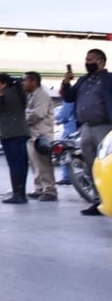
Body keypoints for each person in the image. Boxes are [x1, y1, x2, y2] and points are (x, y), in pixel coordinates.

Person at [60, 49, 112, 216]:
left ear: (101, 62)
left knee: (106, 166)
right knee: (91, 166)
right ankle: (98, 201)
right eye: (86, 59)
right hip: (86, 127)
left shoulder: (109, 79)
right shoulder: (83, 80)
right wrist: (66, 82)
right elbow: (69, 98)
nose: (87, 62)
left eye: (91, 60)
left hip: (104, 127)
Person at [0, 73, 30, 204]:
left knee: (13, 164)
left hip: (9, 133)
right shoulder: (20, 93)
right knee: (22, 163)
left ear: (3, 84)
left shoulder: (1, 95)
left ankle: (16, 194)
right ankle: (22, 193)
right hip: (23, 131)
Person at [22, 71, 57, 201]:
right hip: (32, 134)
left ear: (33, 81)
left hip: (41, 135)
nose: (23, 83)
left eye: (25, 80)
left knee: (43, 163)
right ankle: (39, 188)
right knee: (35, 164)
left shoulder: (42, 95)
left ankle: (50, 190)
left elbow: (37, 114)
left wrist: (22, 118)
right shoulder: (30, 96)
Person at [54, 99, 77, 184]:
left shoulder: (68, 99)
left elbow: (64, 115)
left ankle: (67, 176)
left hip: (70, 129)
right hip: (76, 127)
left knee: (65, 151)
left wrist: (58, 119)